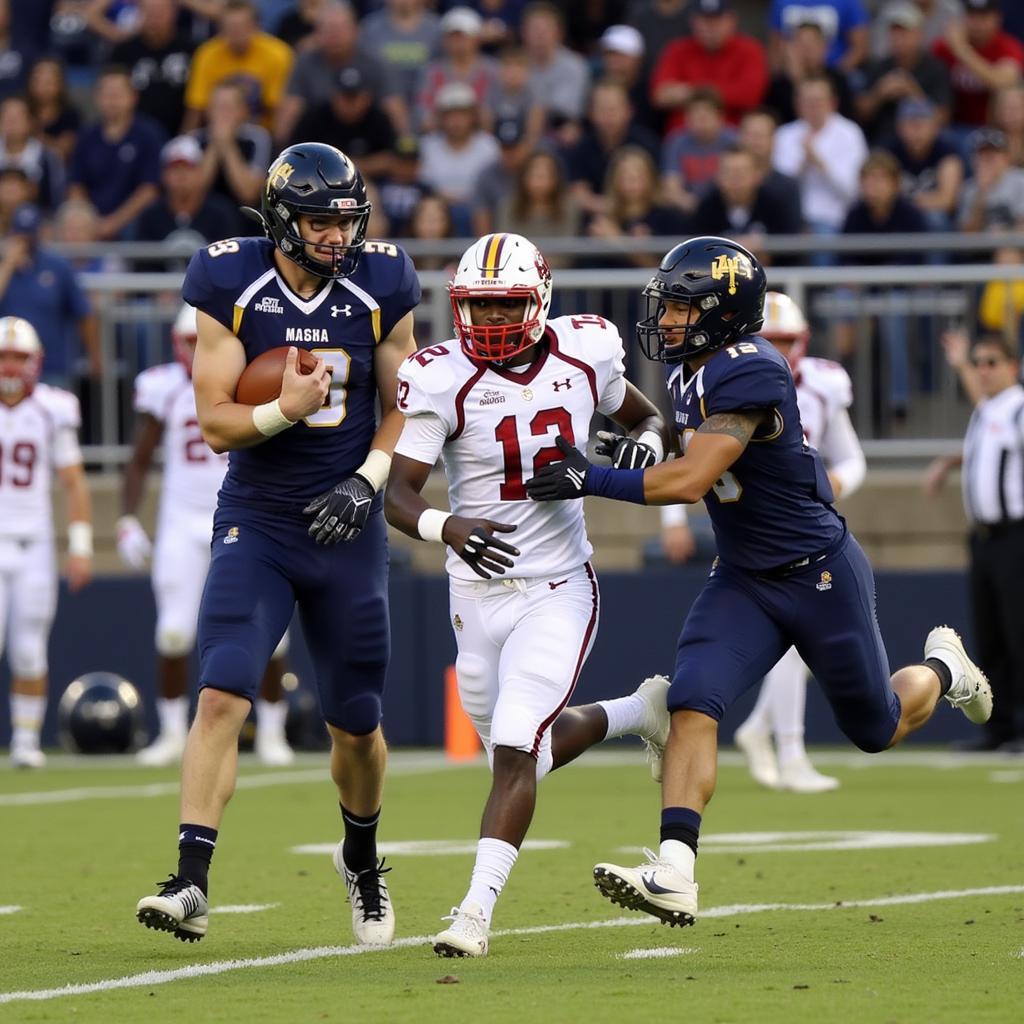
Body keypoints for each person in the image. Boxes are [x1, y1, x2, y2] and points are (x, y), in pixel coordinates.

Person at [524, 235, 993, 927]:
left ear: (723, 312)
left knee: (876, 726)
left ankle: (945, 670)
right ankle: (675, 871)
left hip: (817, 574)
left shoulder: (754, 369)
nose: (669, 320)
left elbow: (690, 481)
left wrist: (588, 476)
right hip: (743, 576)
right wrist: (641, 445)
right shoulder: (693, 367)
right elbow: (682, 449)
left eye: (683, 307)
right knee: (692, 699)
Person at [134, 142, 419, 946]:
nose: (338, 237)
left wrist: (367, 479)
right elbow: (217, 420)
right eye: (321, 222)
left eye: (346, 220)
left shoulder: (382, 281)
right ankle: (190, 881)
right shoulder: (228, 277)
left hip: (347, 526)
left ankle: (360, 859)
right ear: (283, 221)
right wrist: (285, 411)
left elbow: (407, 402)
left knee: (355, 725)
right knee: (223, 689)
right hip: (257, 519)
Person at [384, 231, 672, 957]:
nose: (487, 323)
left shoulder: (586, 350)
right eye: (475, 309)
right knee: (518, 756)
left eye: (503, 306)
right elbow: (399, 494)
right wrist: (449, 526)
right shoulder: (442, 375)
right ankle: (639, 711)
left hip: (557, 585)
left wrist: (644, 446)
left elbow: (644, 417)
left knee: (516, 744)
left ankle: (473, 915)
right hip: (472, 596)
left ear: (540, 299)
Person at [118, 303, 294, 768]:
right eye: (189, 343)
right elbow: (139, 458)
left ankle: (273, 732)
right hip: (182, 521)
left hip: (246, 516)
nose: (197, 352)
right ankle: (173, 731)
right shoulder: (164, 390)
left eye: (202, 342)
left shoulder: (253, 380)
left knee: (273, 638)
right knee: (174, 632)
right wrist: (128, 518)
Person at [731, 292, 866, 793]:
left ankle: (763, 733)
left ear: (803, 342)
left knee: (805, 643)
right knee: (796, 640)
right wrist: (674, 521)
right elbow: (688, 453)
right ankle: (787, 751)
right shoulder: (727, 384)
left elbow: (852, 461)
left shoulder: (823, 385)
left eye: (787, 342)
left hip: (810, 529)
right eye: (769, 341)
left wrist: (825, 485)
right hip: (753, 531)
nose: (780, 352)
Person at [925, 329, 1024, 752]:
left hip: (1015, 535)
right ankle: (998, 727)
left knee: (1019, 633)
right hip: (983, 540)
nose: (982, 371)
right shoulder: (989, 409)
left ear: (1012, 367)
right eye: (978, 364)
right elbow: (992, 449)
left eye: (991, 363)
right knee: (991, 634)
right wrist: (951, 461)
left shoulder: (1018, 407)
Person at [0, 316, 92, 768]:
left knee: (29, 646)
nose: (11, 366)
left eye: (18, 356)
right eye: (4, 356)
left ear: (35, 361)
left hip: (34, 541)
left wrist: (79, 545)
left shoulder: (52, 408)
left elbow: (73, 482)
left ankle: (25, 741)